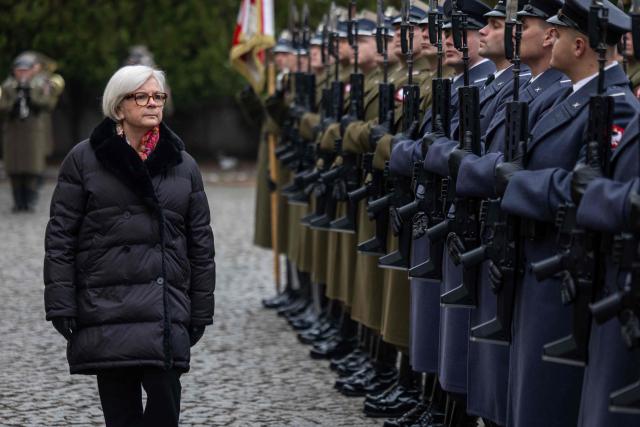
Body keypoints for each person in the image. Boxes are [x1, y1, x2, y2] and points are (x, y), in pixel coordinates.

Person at [43, 65, 216, 427]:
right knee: (120, 415)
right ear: (119, 107)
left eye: (158, 96)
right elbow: (61, 237)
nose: (152, 104)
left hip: (164, 310)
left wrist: (200, 308)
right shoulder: (83, 159)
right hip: (107, 308)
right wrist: (61, 304)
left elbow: (200, 244)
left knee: (165, 407)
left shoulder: (183, 164)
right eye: (142, 96)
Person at [0, 51, 64, 212]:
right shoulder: (7, 86)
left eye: (25, 70)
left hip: (33, 131)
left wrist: (30, 94)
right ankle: (17, 201)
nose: (22, 73)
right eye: (19, 70)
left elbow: (48, 103)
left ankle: (30, 200)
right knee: (14, 167)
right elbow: (2, 106)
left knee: (32, 167)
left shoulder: (40, 85)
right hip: (14, 131)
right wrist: (14, 100)